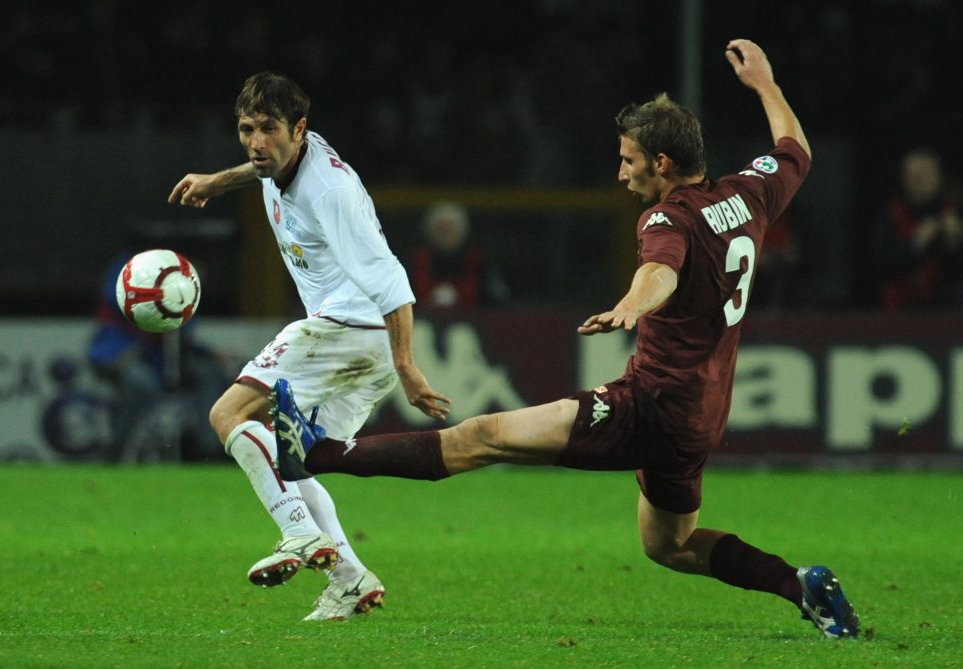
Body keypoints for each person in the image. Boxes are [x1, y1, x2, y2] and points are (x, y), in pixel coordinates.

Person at [272, 39, 860, 638]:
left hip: (650, 406)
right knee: (671, 545)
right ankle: (800, 584)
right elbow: (795, 151)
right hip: (702, 412)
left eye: (628, 159)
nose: (620, 171)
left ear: (661, 163)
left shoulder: (666, 218)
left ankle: (318, 454)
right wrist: (765, 86)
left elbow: (662, 271)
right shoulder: (747, 193)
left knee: (486, 436)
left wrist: (631, 306)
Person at [167, 72, 450, 621]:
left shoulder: (331, 192)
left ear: (300, 129)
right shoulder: (285, 158)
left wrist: (408, 366)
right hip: (358, 341)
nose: (256, 143)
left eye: (268, 129)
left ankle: (297, 531)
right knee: (294, 460)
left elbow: (391, 278)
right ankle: (347, 579)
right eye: (246, 129)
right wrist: (215, 182)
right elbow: (259, 169)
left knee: (227, 413)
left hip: (349, 329)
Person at [88, 251, 227, 462]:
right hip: (122, 351)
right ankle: (117, 452)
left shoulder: (183, 282)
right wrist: (157, 292)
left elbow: (184, 336)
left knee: (209, 373)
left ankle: (210, 453)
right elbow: (118, 299)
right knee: (141, 382)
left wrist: (208, 354)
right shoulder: (125, 268)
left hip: (165, 357)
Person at [869, 147, 963, 309]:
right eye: (913, 175)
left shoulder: (954, 215)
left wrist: (954, 243)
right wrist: (916, 242)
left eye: (925, 174)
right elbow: (879, 266)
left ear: (939, 177)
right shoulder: (891, 215)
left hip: (948, 315)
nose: (919, 181)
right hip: (899, 315)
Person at [410, 201, 510, 309]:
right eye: (441, 230)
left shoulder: (480, 261)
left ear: (462, 231)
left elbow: (496, 300)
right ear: (430, 232)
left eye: (451, 230)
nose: (446, 234)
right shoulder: (415, 261)